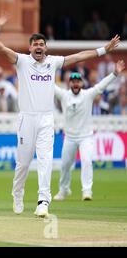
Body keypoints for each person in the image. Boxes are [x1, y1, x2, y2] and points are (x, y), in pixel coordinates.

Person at [0, 18, 120, 217]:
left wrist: (104, 50)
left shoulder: (53, 62)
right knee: (23, 163)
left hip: (46, 119)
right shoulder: (22, 61)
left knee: (46, 160)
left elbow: (78, 56)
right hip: (27, 118)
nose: (38, 47)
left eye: (41, 44)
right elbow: (2, 48)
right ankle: (17, 193)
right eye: (35, 44)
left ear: (45, 48)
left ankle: (43, 200)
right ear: (30, 48)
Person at [53, 60, 125, 202]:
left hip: (86, 136)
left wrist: (115, 73)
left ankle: (87, 191)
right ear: (69, 84)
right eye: (72, 82)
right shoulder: (63, 95)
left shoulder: (88, 94)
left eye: (77, 81)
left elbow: (102, 85)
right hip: (69, 137)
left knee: (86, 161)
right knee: (65, 165)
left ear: (82, 83)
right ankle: (64, 190)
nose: (75, 84)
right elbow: (49, 86)